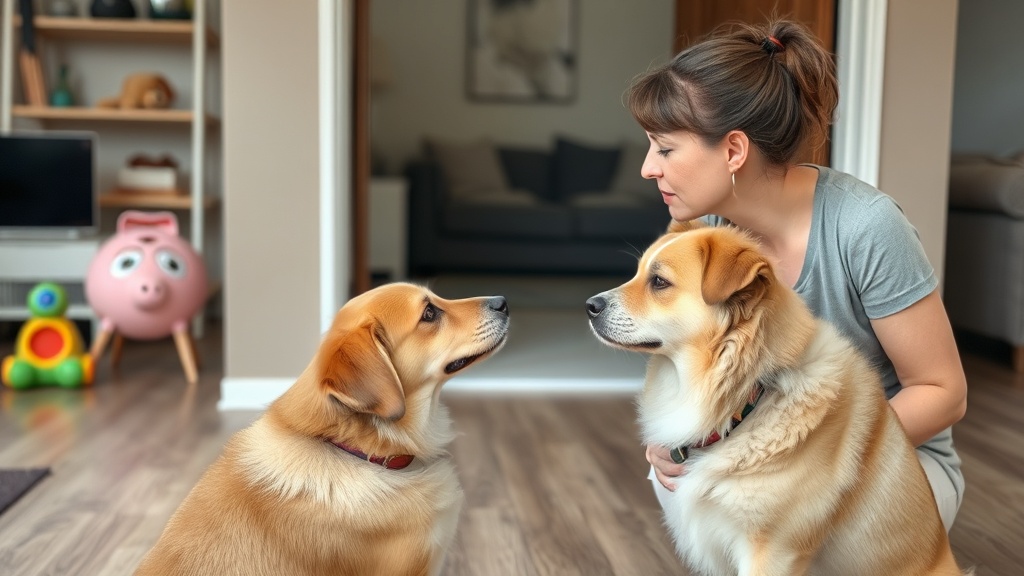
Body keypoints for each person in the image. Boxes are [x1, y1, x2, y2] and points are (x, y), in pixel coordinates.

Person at [626, 19, 967, 531]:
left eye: (665, 148)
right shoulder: (710, 233)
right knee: (674, 478)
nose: (648, 168)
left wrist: (804, 462)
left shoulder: (865, 227)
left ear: (734, 151)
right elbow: (705, 376)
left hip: (893, 462)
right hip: (767, 459)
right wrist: (673, 440)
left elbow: (943, 390)